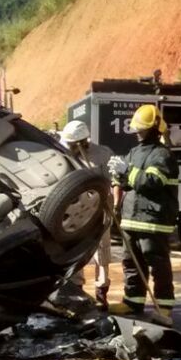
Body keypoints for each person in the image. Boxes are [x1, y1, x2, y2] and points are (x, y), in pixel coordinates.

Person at [108, 104, 178, 326]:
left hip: (153, 220)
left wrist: (127, 172)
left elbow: (153, 182)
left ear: (154, 129)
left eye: (141, 128)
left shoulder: (162, 155)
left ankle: (164, 307)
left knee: (157, 264)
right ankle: (133, 301)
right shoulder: (134, 152)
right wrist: (118, 176)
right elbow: (128, 183)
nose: (137, 132)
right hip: (132, 218)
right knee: (131, 262)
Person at [60, 120, 115, 311]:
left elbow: (114, 180)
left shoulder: (102, 154)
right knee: (75, 249)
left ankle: (102, 292)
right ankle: (76, 289)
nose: (70, 148)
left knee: (102, 250)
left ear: (82, 142)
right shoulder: (64, 154)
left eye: (73, 145)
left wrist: (112, 203)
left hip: (100, 208)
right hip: (76, 211)